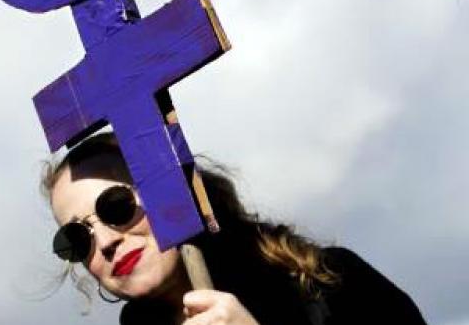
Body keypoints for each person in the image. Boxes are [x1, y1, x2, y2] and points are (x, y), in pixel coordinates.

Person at [43, 132, 427, 325]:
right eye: (78, 238)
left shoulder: (331, 287)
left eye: (115, 207)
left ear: (170, 192)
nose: (106, 242)